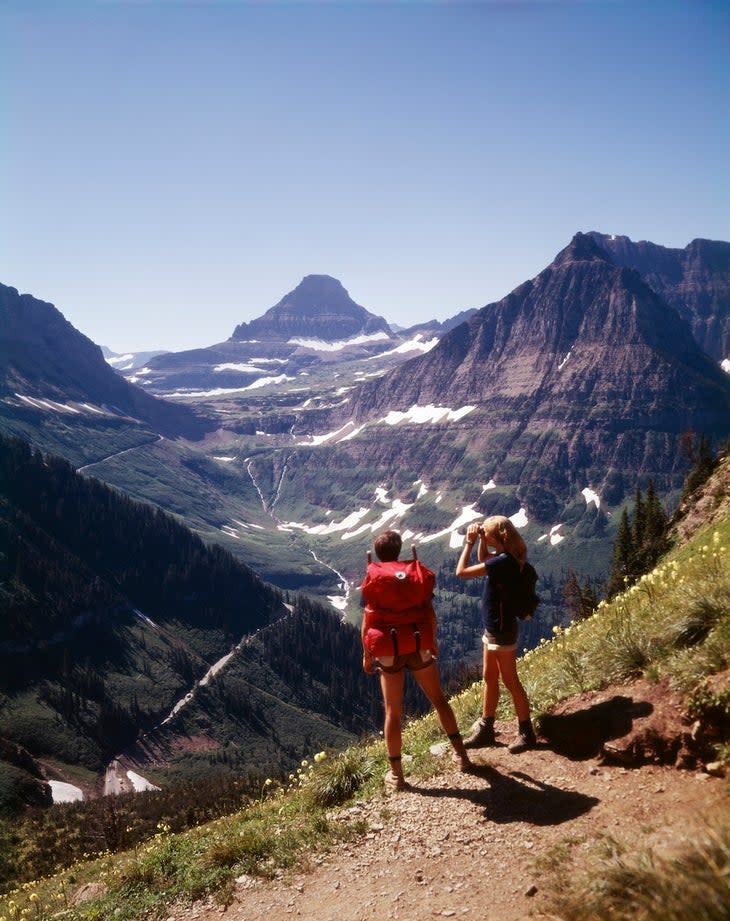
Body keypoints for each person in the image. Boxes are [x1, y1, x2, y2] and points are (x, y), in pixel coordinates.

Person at [362, 529, 472, 790]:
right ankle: (462, 756)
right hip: (418, 640)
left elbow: (367, 622)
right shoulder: (413, 574)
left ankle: (398, 776)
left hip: (388, 647)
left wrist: (367, 654)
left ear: (377, 554)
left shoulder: (374, 576)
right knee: (439, 700)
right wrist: (432, 641)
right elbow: (430, 613)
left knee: (393, 712)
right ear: (398, 550)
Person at [455, 515, 537, 753]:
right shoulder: (506, 558)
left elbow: (461, 572)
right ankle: (486, 728)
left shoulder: (503, 563)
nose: (483, 534)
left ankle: (526, 732)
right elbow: (484, 559)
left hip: (501, 630)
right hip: (493, 627)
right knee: (489, 677)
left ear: (496, 537)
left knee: (510, 681)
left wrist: (469, 542)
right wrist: (482, 539)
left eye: (486, 533)